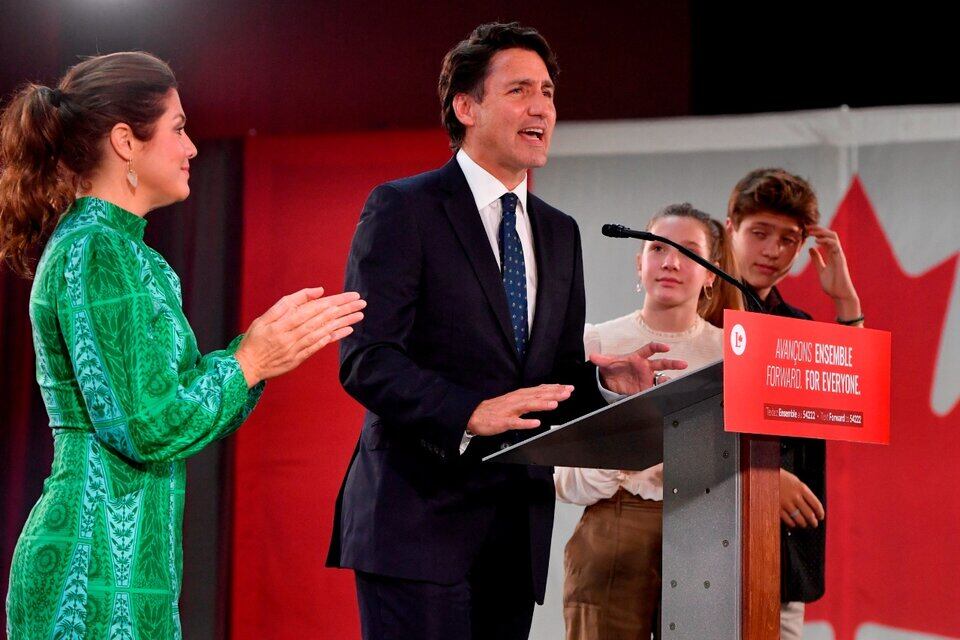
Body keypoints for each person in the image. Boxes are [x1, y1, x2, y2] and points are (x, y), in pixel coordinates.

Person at [326, 22, 683, 640]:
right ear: (466, 107)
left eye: (547, 92)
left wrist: (602, 381)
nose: (542, 107)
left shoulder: (559, 231)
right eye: (520, 90)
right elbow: (367, 358)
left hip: (514, 530)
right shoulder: (404, 209)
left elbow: (550, 375)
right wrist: (469, 412)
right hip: (416, 521)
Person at [1, 52, 365, 639]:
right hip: (88, 571)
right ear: (126, 141)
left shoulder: (135, 257)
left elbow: (181, 416)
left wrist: (259, 355)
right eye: (178, 128)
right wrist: (248, 360)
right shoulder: (96, 249)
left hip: (134, 569)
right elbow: (147, 429)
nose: (192, 147)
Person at [555, 203, 742, 639]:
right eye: (657, 248)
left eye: (687, 250)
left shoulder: (734, 351)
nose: (671, 262)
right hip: (614, 526)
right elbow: (563, 478)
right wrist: (623, 441)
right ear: (638, 264)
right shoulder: (597, 342)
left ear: (712, 272)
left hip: (706, 531)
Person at [726, 167, 863, 639]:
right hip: (708, 551)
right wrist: (760, 476)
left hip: (786, 560)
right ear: (730, 229)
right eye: (759, 233)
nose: (772, 251)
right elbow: (674, 433)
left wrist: (845, 299)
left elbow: (851, 404)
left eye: (788, 239)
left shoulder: (798, 324)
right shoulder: (698, 313)